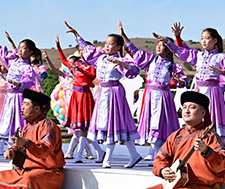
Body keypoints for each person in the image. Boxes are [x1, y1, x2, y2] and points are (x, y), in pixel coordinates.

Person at [65, 21, 143, 169]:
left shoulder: (121, 60)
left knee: (114, 125)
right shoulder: (100, 58)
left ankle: (107, 158)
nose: (107, 46)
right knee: (113, 124)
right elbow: (87, 48)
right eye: (106, 43)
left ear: (118, 47)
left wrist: (122, 64)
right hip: (103, 93)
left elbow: (134, 71)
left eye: (111, 44)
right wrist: (76, 34)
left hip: (115, 93)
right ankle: (134, 154)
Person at [157, 25, 225, 156]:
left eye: (207, 38)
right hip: (199, 91)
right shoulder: (198, 55)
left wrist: (223, 72)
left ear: (215, 40)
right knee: (199, 121)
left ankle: (224, 151)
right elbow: (182, 52)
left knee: (214, 121)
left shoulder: (222, 57)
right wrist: (170, 41)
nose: (203, 41)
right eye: (202, 38)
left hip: (213, 92)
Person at [119, 21, 189, 162]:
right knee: (151, 122)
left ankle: (158, 152)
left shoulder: (173, 65)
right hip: (150, 95)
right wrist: (124, 35)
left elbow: (184, 81)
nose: (158, 46)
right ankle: (153, 150)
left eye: (162, 45)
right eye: (157, 44)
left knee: (160, 123)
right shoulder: (151, 59)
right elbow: (135, 51)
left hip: (163, 97)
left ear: (169, 49)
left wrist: (180, 81)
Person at [0, 30, 39, 156]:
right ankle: (12, 149)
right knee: (8, 122)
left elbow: (29, 81)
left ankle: (21, 149)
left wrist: (19, 84)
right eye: (20, 48)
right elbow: (2, 51)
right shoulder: (14, 62)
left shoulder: (28, 67)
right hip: (9, 96)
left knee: (18, 122)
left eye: (24, 48)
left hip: (19, 97)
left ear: (31, 52)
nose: (20, 50)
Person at [47, 36, 100, 162]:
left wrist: (79, 69)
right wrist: (59, 47)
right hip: (75, 97)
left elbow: (91, 75)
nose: (82, 53)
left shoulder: (92, 66)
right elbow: (65, 62)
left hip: (85, 96)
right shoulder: (76, 64)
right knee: (78, 129)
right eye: (80, 50)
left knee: (84, 128)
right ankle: (86, 152)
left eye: (85, 50)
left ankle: (79, 154)